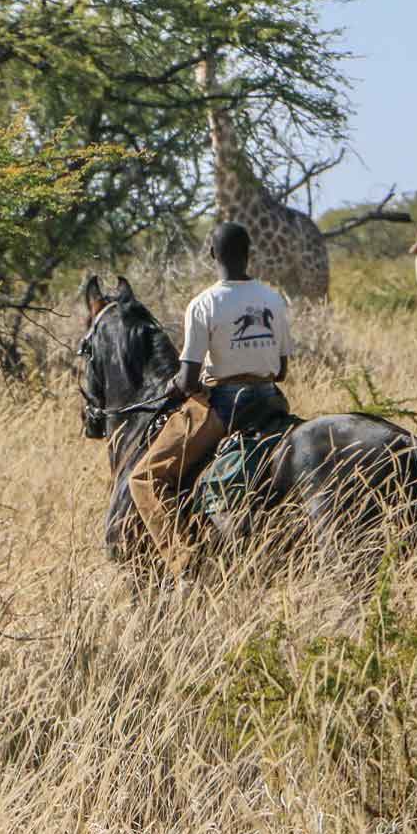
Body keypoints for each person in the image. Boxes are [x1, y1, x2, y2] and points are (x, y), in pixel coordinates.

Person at [128, 221, 295, 574]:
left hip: (225, 406)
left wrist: (177, 384)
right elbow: (281, 369)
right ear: (250, 254)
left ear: (211, 254)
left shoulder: (204, 303)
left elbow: (189, 379)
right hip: (270, 401)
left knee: (145, 478)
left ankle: (183, 561)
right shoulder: (272, 299)